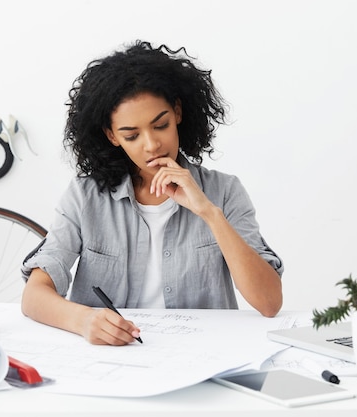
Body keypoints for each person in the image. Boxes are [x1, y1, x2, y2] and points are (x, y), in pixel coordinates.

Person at [21, 40, 283, 346]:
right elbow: (33, 296)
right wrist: (83, 320)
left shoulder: (224, 191)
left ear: (178, 112)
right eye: (131, 135)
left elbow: (269, 302)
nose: (151, 145)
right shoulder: (85, 196)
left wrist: (209, 213)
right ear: (112, 136)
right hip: (113, 356)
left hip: (202, 355)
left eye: (161, 125)